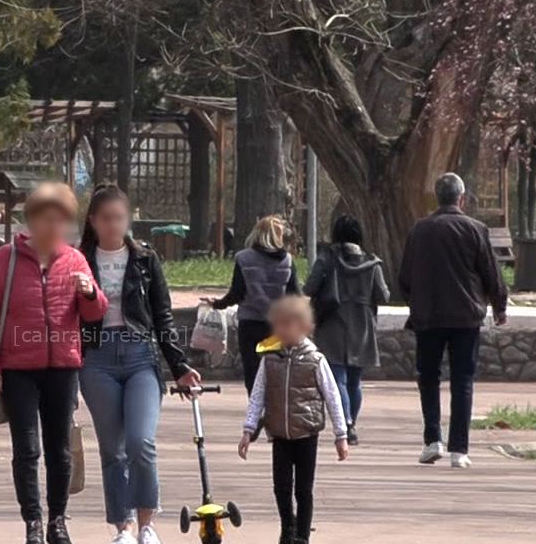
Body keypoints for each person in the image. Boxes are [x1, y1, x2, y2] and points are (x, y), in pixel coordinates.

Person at [0, 182, 107, 544]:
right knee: (27, 450)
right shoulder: (7, 257)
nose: (55, 228)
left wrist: (88, 293)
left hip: (63, 366)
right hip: (17, 368)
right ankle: (33, 525)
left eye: (62, 220)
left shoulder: (75, 259)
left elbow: (95, 313)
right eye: (47, 219)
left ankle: (58, 523)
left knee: (60, 451)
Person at [77, 185, 203, 544]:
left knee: (140, 443)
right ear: (93, 221)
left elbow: (163, 317)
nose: (114, 225)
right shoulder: (78, 260)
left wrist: (178, 366)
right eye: (106, 218)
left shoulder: (146, 260)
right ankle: (124, 528)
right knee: (112, 450)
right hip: (96, 359)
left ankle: (148, 524)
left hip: (139, 357)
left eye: (120, 217)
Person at [398, 173, 508, 469]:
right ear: (462, 198)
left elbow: (405, 276)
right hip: (465, 316)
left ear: (438, 197)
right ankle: (459, 449)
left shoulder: (420, 230)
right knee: (462, 381)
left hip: (428, 316)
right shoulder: (476, 229)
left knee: (429, 378)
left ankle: (432, 440)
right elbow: (491, 272)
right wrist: (499, 305)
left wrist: (415, 302)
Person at [238, 295, 349, 544]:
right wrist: (248, 430)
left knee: (304, 490)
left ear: (303, 326)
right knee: (281, 488)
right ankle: (287, 527)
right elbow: (258, 394)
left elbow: (333, 396)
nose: (281, 331)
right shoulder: (270, 360)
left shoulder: (315, 359)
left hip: (306, 434)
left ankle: (302, 540)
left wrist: (341, 435)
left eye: (287, 325)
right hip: (279, 434)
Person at [304, 214, 389, 446]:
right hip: (362, 325)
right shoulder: (372, 262)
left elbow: (309, 287)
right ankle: (351, 424)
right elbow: (384, 294)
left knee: (337, 379)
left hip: (332, 322)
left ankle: (346, 423)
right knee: (354, 381)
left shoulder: (327, 258)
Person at [205, 214, 300, 391]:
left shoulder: (243, 258)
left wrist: (217, 304)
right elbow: (295, 295)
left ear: (257, 234)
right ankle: (274, 409)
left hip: (250, 325)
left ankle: (257, 411)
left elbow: (237, 293)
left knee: (252, 372)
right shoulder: (287, 261)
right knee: (277, 371)